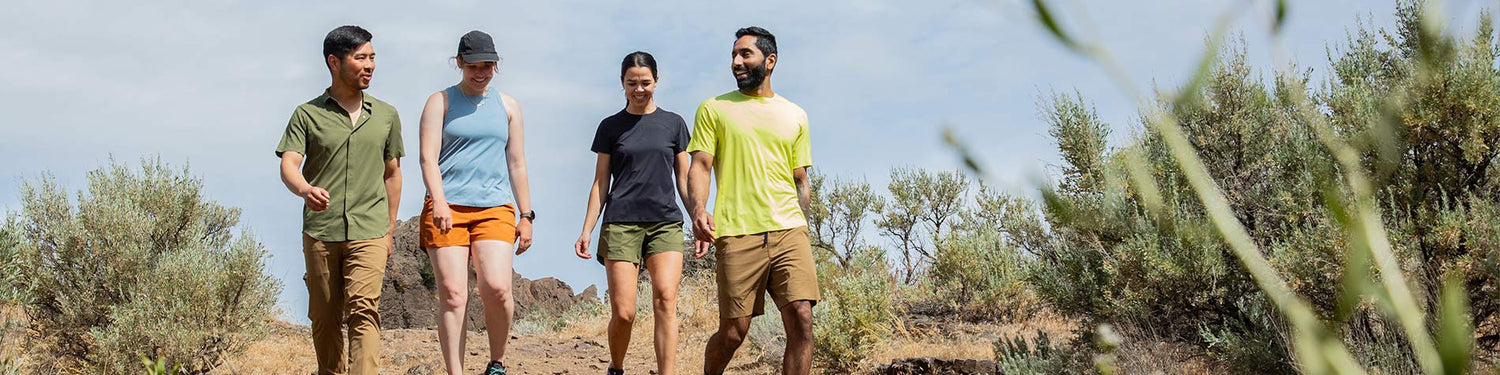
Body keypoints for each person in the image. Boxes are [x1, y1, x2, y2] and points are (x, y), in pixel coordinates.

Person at [688, 26, 818, 375]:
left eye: (745, 54)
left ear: (770, 60)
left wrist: (804, 226)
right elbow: (700, 165)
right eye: (734, 55)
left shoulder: (796, 114)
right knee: (734, 333)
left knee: (802, 319)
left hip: (789, 229)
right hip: (738, 231)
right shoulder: (714, 108)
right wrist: (699, 210)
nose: (736, 62)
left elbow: (800, 179)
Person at [276, 25, 403, 375]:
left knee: (364, 309)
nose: (370, 65)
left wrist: (389, 230)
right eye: (360, 58)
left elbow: (392, 174)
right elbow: (289, 164)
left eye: (373, 57)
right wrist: (305, 189)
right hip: (321, 230)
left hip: (370, 228)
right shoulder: (307, 114)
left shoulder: (387, 116)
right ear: (334, 62)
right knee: (325, 316)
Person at [417, 30, 536, 375]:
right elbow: (428, 158)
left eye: (487, 65)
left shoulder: (508, 106)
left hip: (495, 207)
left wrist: (526, 214)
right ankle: (455, 370)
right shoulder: (439, 102)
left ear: (496, 65)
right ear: (459, 63)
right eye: (472, 66)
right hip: (447, 206)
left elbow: (517, 163)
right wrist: (438, 201)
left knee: (497, 287)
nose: (480, 72)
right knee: (454, 295)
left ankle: (496, 362)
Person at [573, 51, 693, 375]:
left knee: (666, 299)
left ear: (656, 81)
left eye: (645, 82)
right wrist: (586, 229)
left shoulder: (674, 124)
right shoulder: (610, 127)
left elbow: (684, 179)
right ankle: (617, 366)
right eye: (632, 83)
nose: (639, 89)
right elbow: (600, 183)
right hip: (621, 222)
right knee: (624, 312)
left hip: (665, 222)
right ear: (622, 84)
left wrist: (698, 216)